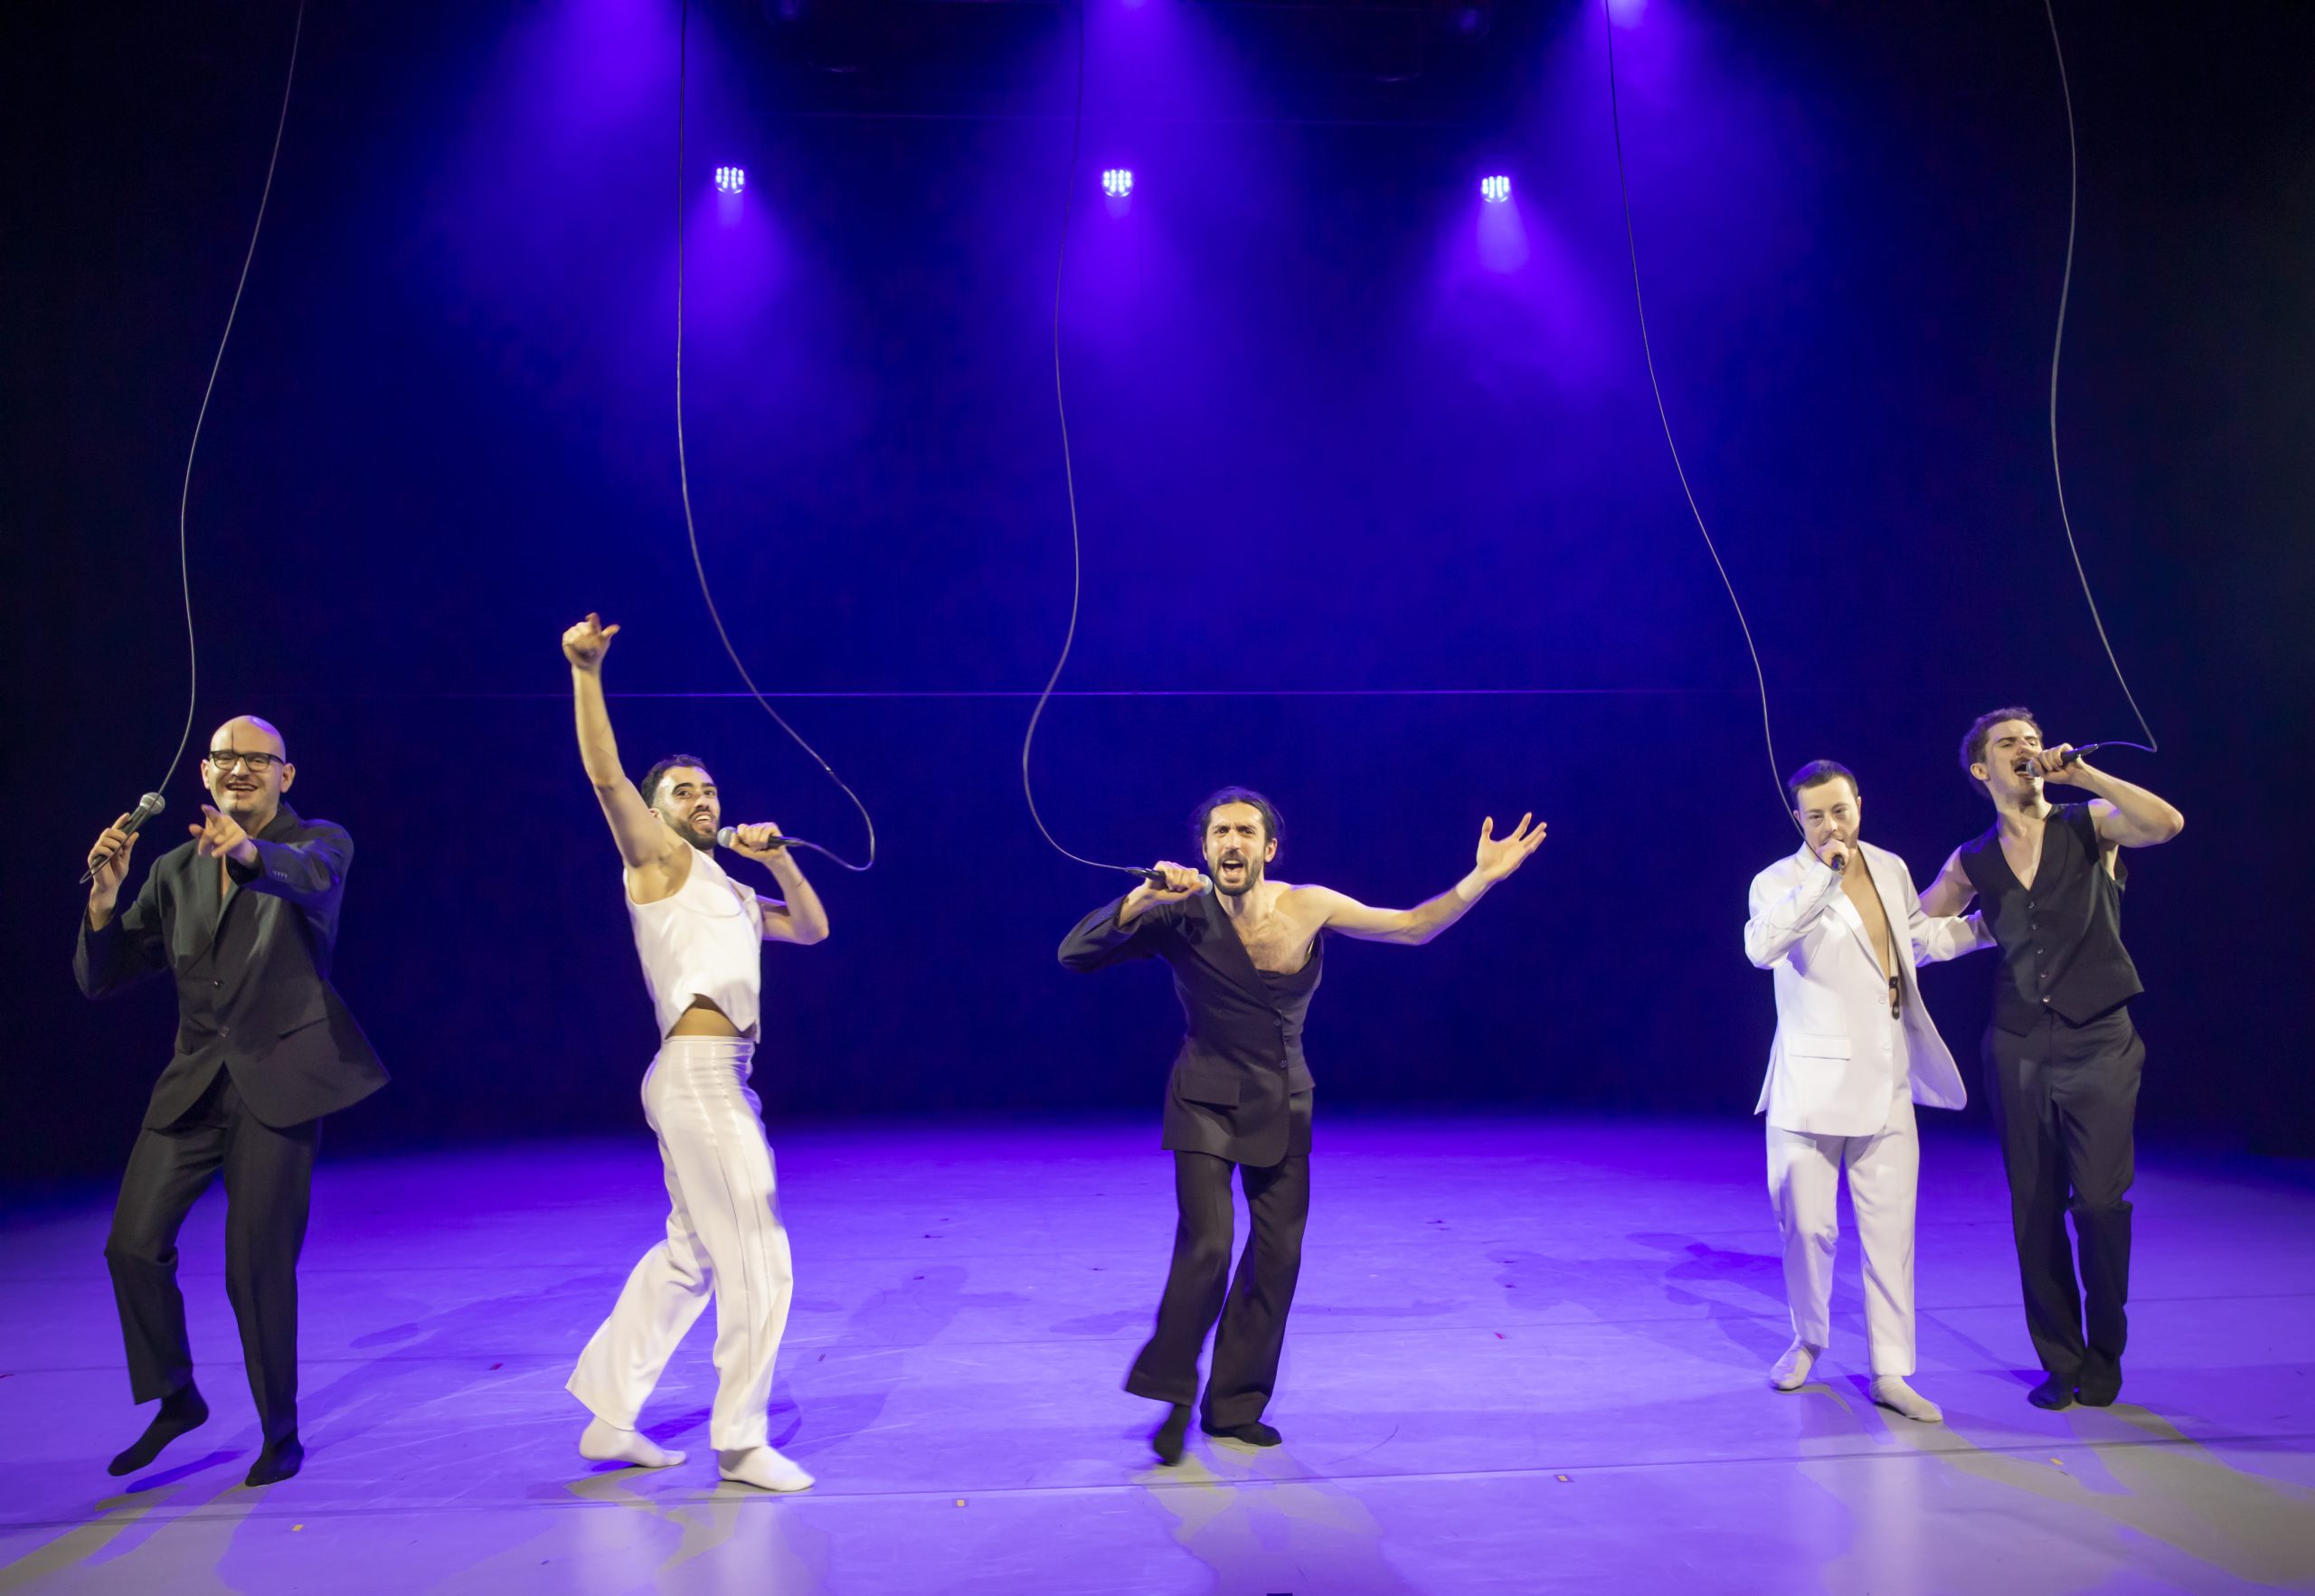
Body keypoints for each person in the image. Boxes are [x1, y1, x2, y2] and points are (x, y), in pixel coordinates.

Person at [1060, 788, 1546, 1465]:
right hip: (1204, 1100)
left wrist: (1480, 879)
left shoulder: (1309, 905)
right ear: (1204, 848)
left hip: (1284, 1098)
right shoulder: (1180, 911)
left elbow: (1412, 926)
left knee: (1278, 1258)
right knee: (1208, 1246)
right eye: (1220, 832)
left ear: (1268, 848)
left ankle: (1233, 1407)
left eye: (1245, 831)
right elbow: (1076, 953)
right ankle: (1171, 1391)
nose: (1232, 842)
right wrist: (1141, 900)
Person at [78, 716, 387, 1487]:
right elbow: (104, 975)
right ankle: (176, 1395)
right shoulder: (175, 868)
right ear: (205, 772)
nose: (239, 769)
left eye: (257, 759)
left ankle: (280, 1431)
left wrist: (248, 853)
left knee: (255, 1264)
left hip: (279, 1079)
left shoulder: (319, 841)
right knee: (131, 1245)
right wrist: (104, 903)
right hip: (193, 1081)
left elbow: (309, 878)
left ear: (286, 773)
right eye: (225, 757)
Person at [559, 613, 830, 1491]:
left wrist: (778, 859)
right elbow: (606, 777)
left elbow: (812, 928)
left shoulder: (731, 888)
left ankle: (609, 1414)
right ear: (659, 812)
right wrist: (587, 673)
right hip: (698, 1079)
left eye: (709, 790)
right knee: (760, 1253)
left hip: (717, 1082)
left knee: (693, 1255)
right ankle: (741, 1440)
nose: (703, 800)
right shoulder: (659, 864)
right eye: (683, 792)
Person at [1919, 709, 2183, 1410]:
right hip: (2018, 1044)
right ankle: (2061, 1360)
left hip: (2101, 1038)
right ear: (1982, 769)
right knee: (2034, 1208)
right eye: (2009, 742)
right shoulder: (1971, 858)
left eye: (2033, 739)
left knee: (2097, 1202)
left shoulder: (2089, 822)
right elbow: (1912, 929)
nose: (2028, 748)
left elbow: (2166, 823)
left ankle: (2105, 1349)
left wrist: (2085, 773)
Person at [1744, 760, 1988, 1422]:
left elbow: (1917, 940)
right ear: (1799, 819)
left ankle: (1891, 1370)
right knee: (1807, 1227)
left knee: (1890, 1232)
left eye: (1840, 810)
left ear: (1859, 805)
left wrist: (1987, 928)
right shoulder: (1779, 880)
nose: (1831, 824)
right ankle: (1808, 1338)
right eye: (1816, 815)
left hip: (1886, 1076)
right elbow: (1762, 947)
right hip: (1810, 1085)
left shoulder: (1889, 866)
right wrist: (1824, 876)